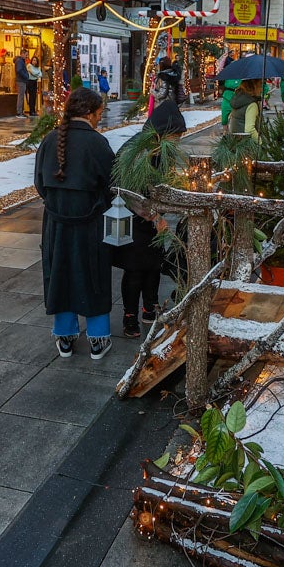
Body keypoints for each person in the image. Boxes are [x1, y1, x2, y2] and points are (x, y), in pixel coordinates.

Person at [34, 87, 116, 359]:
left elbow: (39, 184)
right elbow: (112, 184)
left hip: (56, 223)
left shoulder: (49, 140)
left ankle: (65, 337)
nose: (99, 119)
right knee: (93, 275)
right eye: (100, 113)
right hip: (91, 223)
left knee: (60, 274)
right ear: (91, 113)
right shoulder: (97, 143)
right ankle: (97, 338)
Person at [114, 87, 186, 337]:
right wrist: (154, 216)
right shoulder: (140, 150)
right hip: (134, 218)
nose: (177, 142)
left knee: (153, 267)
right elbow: (129, 190)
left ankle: (149, 308)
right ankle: (130, 315)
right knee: (135, 269)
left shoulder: (158, 149)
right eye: (176, 136)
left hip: (151, 218)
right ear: (165, 132)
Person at [14, 48, 30, 117]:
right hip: (21, 81)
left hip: (21, 80)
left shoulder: (20, 61)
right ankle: (19, 112)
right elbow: (19, 70)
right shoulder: (20, 61)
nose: (27, 56)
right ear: (22, 54)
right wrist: (26, 76)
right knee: (20, 96)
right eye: (26, 55)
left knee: (21, 96)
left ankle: (20, 111)